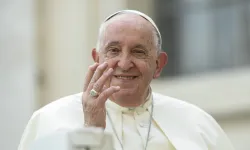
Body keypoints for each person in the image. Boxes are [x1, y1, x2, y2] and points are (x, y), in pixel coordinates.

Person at [18, 10, 234, 150]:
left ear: (158, 65)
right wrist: (91, 129)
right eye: (113, 50)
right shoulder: (49, 120)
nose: (124, 63)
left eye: (138, 52)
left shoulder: (198, 124)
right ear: (96, 58)